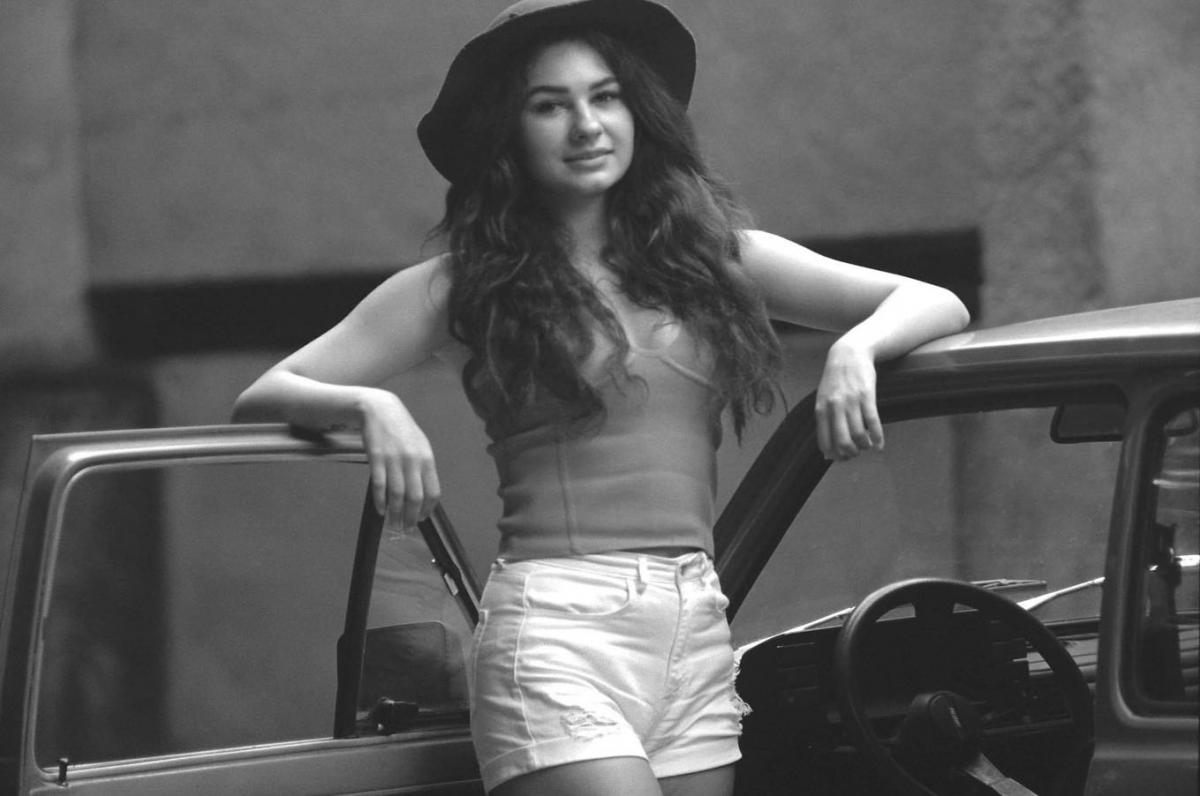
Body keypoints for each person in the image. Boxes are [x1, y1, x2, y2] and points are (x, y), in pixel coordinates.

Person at [232, 0, 970, 793]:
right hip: (558, 632)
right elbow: (269, 393)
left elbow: (933, 301)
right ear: (509, 131)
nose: (586, 125)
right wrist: (372, 407)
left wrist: (856, 348)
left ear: (637, 111)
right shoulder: (462, 285)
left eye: (605, 96)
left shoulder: (716, 259)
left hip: (694, 624)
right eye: (550, 105)